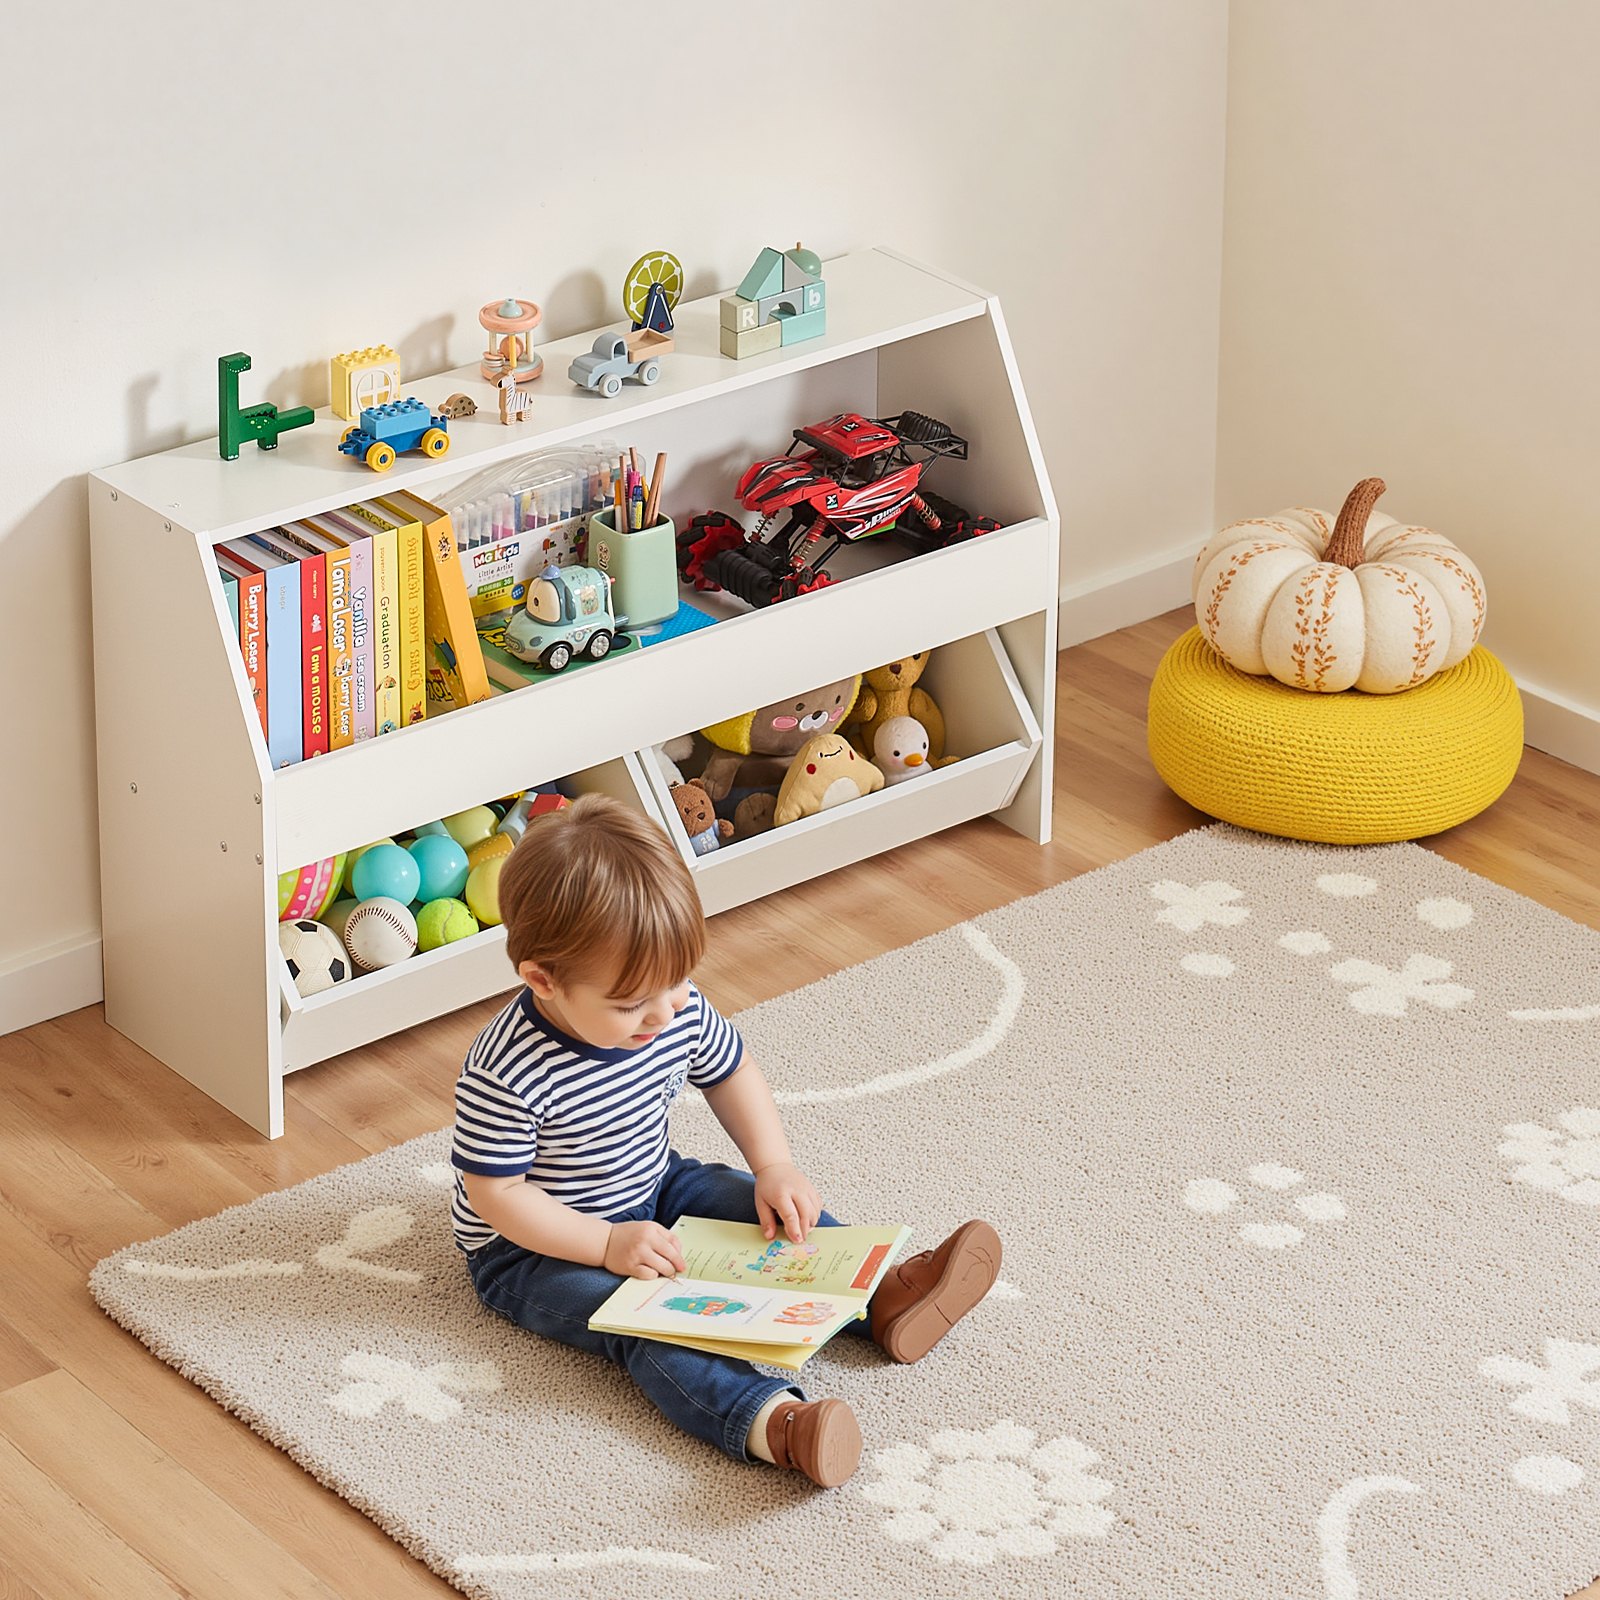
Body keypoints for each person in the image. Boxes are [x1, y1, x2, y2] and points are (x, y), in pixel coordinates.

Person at [451, 794, 1001, 1488]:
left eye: (676, 985)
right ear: (543, 980)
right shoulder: (505, 1068)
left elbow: (731, 1071)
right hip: (532, 1251)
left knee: (751, 1206)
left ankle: (880, 1298)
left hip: (653, 1182)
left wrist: (774, 1165)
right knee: (648, 1321)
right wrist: (604, 1246)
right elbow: (496, 1195)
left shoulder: (672, 1004)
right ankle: (774, 1424)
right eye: (630, 1005)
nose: (663, 1012)